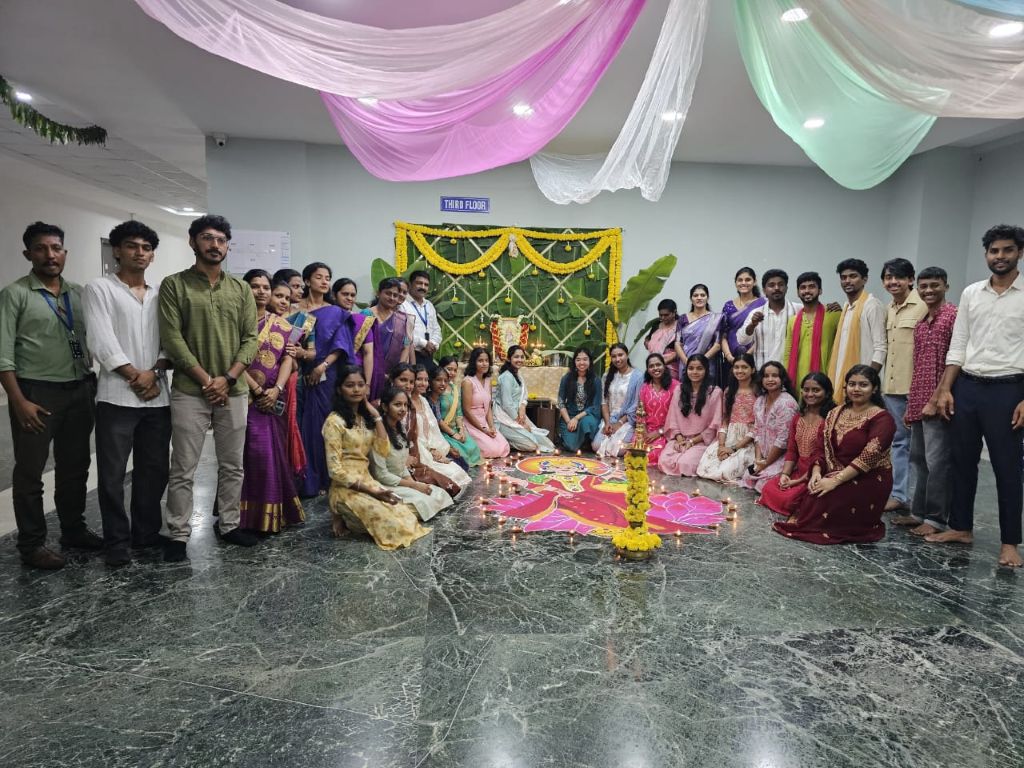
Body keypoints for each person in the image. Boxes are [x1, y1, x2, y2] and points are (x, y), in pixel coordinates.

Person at [0, 222, 100, 569]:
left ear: (65, 253)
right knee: (30, 472)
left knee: (75, 467)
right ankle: (31, 544)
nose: (50, 255)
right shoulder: (15, 294)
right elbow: (3, 355)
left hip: (80, 389)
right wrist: (18, 401)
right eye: (41, 248)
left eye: (56, 248)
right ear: (28, 254)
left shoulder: (79, 293)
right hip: (36, 393)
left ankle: (73, 529)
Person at [158, 214, 259, 561]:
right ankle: (177, 533)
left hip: (234, 390)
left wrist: (227, 378)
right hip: (190, 390)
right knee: (183, 466)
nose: (214, 245)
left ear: (227, 246)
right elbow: (172, 338)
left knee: (233, 465)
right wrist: (207, 380)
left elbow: (251, 339)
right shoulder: (174, 285)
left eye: (221, 240)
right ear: (193, 242)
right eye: (207, 238)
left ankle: (229, 525)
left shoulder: (241, 289)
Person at [926, 224, 1024, 568]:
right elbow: (959, 344)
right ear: (986, 255)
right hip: (966, 386)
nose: (1000, 256)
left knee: (1007, 467)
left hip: (1009, 389)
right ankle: (961, 527)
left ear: (1020, 253)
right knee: (961, 461)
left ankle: (1010, 542)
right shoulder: (972, 293)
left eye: (1007, 250)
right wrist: (945, 389)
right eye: (994, 251)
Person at [82, 220, 171, 567]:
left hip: (158, 398)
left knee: (155, 469)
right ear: (117, 250)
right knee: (113, 474)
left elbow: (171, 340)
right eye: (132, 246)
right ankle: (116, 541)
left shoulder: (161, 293)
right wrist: (136, 375)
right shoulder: (99, 288)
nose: (140, 253)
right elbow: (101, 340)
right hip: (116, 397)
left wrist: (155, 372)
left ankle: (145, 533)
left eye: (147, 248)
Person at [774, 365, 895, 544]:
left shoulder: (882, 419)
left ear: (874, 388)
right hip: (833, 471)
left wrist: (834, 481)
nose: (856, 389)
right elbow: (820, 448)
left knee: (830, 497)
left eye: (863, 385)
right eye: (852, 384)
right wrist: (816, 473)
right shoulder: (835, 413)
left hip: (868, 476)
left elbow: (868, 457)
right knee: (814, 493)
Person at [323, 365, 430, 550]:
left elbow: (383, 448)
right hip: (345, 487)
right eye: (350, 385)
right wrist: (372, 491)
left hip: (368, 481)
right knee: (391, 525)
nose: (356, 390)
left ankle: (353, 518)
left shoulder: (365, 419)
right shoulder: (334, 422)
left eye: (360, 385)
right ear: (340, 389)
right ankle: (341, 514)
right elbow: (334, 471)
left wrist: (376, 416)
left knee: (406, 516)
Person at [890, 267, 957, 536]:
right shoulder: (921, 323)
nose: (929, 290)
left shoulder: (952, 317)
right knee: (918, 459)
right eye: (924, 286)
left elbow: (955, 362)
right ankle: (918, 513)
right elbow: (918, 366)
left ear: (946, 286)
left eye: (934, 285)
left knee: (937, 462)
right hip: (919, 399)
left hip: (941, 402)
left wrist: (936, 398)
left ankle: (936, 519)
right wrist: (912, 404)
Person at [238, 270, 304, 534]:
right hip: (242, 396)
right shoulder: (235, 321)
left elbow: (287, 359)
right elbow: (231, 358)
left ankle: (271, 514)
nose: (261, 291)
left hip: (273, 398)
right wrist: (256, 389)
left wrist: (276, 389)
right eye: (255, 286)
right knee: (243, 456)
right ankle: (240, 517)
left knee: (270, 453)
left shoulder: (283, 325)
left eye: (265, 287)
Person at [296, 262, 355, 497]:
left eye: (327, 278)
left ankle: (326, 477)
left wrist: (321, 367)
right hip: (296, 372)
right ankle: (303, 477)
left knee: (323, 424)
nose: (324, 281)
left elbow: (341, 346)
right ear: (307, 281)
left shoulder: (335, 312)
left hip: (326, 375)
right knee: (300, 425)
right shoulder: (294, 309)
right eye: (318, 277)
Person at [879, 258, 928, 513]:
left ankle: (923, 503)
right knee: (899, 443)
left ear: (911, 279)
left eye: (899, 277)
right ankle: (899, 494)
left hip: (917, 389)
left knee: (922, 449)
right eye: (888, 277)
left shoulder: (923, 306)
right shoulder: (889, 308)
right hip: (893, 388)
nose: (893, 282)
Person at [758, 372, 835, 518]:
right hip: (798, 471)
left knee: (792, 500)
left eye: (816, 390)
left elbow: (823, 456)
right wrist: (785, 475)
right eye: (806, 390)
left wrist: (796, 482)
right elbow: (792, 451)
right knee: (768, 488)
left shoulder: (830, 419)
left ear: (827, 393)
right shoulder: (798, 418)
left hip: (817, 472)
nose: (810, 394)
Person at [370, 386, 453, 522]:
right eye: (397, 405)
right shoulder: (378, 434)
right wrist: (413, 486)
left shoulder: (401, 428)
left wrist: (413, 483)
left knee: (440, 494)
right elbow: (381, 474)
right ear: (385, 407)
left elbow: (401, 465)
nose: (403, 409)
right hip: (386, 484)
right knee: (424, 501)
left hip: (402, 481)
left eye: (405, 405)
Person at [657, 354, 722, 477]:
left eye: (699, 368)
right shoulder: (679, 390)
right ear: (686, 370)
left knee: (685, 464)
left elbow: (714, 426)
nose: (695, 372)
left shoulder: (715, 392)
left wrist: (692, 441)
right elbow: (673, 420)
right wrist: (680, 439)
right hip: (679, 439)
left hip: (701, 441)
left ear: (706, 370)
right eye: (691, 368)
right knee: (664, 461)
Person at [741, 361, 801, 492]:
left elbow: (783, 440)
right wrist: (758, 459)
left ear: (782, 379)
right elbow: (757, 431)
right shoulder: (760, 401)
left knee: (762, 485)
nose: (770, 379)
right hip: (764, 456)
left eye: (774, 376)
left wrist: (765, 463)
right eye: (766, 376)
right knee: (747, 477)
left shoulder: (787, 403)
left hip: (783, 456)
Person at [697, 353, 756, 483]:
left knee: (725, 472)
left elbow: (757, 427)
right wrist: (721, 446)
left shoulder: (758, 392)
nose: (740, 370)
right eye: (736, 367)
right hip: (729, 436)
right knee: (705, 467)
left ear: (752, 370)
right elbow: (725, 421)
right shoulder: (729, 391)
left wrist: (733, 448)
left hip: (747, 441)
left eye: (744, 367)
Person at [270, 279, 308, 480]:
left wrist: (298, 353)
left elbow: (299, 360)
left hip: (285, 384)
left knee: (284, 431)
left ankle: (282, 481)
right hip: (256, 385)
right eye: (279, 296)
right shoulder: (254, 321)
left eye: (287, 297)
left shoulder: (299, 321)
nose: (285, 300)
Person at [827, 258, 886, 385]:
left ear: (865, 279)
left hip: (864, 382)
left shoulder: (872, 305)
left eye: (853, 276)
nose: (847, 281)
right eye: (843, 277)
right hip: (843, 379)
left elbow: (880, 348)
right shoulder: (846, 308)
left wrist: (868, 378)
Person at [411, 365, 471, 491]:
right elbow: (413, 435)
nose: (423, 383)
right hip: (419, 450)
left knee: (460, 469)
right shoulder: (406, 403)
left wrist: (443, 449)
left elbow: (433, 429)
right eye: (419, 379)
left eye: (425, 380)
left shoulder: (423, 400)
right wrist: (432, 451)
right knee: (451, 474)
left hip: (432, 445)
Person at [783, 272, 841, 389]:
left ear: (820, 290)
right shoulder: (793, 320)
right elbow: (788, 352)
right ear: (798, 292)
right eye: (803, 287)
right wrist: (785, 380)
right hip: (798, 379)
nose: (807, 291)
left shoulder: (834, 314)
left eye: (812, 286)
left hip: (826, 377)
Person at [493, 345, 555, 453]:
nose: (520, 360)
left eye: (522, 357)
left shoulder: (517, 374)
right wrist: (521, 423)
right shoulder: (506, 377)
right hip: (504, 417)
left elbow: (524, 393)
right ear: (509, 359)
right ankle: (503, 441)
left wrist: (522, 406)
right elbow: (507, 405)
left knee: (546, 443)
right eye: (516, 357)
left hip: (519, 415)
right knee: (532, 445)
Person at [735, 269, 800, 370]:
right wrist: (752, 324)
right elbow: (742, 340)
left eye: (780, 284)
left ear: (786, 288)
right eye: (771, 285)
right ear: (764, 290)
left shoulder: (799, 310)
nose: (776, 288)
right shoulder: (756, 313)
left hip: (791, 371)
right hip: (763, 372)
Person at [363, 277, 414, 403]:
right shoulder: (366, 314)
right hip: (368, 372)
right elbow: (361, 347)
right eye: (388, 293)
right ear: (378, 293)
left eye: (395, 295)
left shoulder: (401, 319)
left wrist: (396, 374)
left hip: (392, 376)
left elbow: (406, 346)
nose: (392, 298)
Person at [593, 343, 642, 458]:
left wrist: (620, 423)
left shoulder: (638, 376)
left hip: (627, 420)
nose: (617, 359)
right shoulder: (607, 375)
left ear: (627, 355)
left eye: (620, 355)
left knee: (620, 450)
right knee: (596, 446)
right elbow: (604, 402)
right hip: (609, 418)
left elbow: (637, 404)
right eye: (614, 356)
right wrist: (607, 423)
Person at [462, 347, 511, 458]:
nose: (484, 364)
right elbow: (466, 411)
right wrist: (483, 430)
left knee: (504, 446)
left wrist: (491, 427)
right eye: (480, 361)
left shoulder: (488, 380)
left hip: (485, 422)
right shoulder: (468, 382)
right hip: (471, 423)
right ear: (473, 362)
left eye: (486, 361)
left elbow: (488, 407)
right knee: (492, 450)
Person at [437, 356, 482, 466]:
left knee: (473, 448)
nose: (452, 373)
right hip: (442, 431)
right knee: (460, 454)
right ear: (441, 369)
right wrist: (453, 434)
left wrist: (461, 430)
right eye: (449, 369)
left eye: (455, 370)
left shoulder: (454, 388)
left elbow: (458, 413)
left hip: (455, 429)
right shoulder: (437, 389)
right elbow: (437, 418)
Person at [673, 284, 723, 383]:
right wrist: (687, 362)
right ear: (691, 299)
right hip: (686, 363)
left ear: (707, 298)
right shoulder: (683, 319)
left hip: (707, 363)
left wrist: (701, 361)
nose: (699, 298)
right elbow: (677, 343)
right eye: (695, 295)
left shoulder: (715, 319)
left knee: (707, 390)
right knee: (686, 390)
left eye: (702, 295)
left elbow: (717, 345)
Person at [721, 267, 766, 375]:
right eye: (740, 280)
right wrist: (729, 356)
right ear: (736, 283)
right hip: (731, 359)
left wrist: (747, 356)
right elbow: (723, 334)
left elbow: (765, 333)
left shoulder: (763, 303)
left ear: (754, 281)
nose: (743, 283)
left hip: (754, 357)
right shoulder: (728, 305)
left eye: (748, 279)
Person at [557, 347, 602, 453]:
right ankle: (575, 441)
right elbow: (561, 401)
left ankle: (586, 442)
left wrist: (577, 418)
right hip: (570, 415)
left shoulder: (596, 380)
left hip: (587, 415)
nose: (582, 362)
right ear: (574, 362)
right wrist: (569, 421)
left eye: (585, 359)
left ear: (590, 361)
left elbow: (595, 406)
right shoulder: (566, 378)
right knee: (571, 447)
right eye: (578, 360)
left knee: (587, 423)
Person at [637, 353, 679, 466]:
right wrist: (644, 432)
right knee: (635, 452)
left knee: (650, 455)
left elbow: (677, 417)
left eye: (658, 365)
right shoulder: (644, 387)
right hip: (645, 431)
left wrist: (659, 432)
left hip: (666, 432)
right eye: (651, 366)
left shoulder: (676, 386)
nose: (655, 368)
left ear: (664, 366)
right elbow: (640, 413)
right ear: (647, 369)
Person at [425, 366, 469, 469]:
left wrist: (460, 429)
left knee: (463, 463)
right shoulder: (426, 401)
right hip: (430, 442)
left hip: (438, 438)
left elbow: (457, 415)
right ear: (430, 381)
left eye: (445, 381)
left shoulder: (438, 399)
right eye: (438, 380)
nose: (443, 384)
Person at [334, 278, 375, 384]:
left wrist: (367, 384)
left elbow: (368, 353)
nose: (349, 298)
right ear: (334, 295)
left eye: (352, 295)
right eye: (345, 294)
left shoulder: (362, 321)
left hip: (355, 374)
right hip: (329, 370)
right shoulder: (327, 317)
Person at [402, 270, 442, 369]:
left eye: (426, 285)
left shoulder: (429, 305)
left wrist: (432, 344)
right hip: (409, 353)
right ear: (410, 284)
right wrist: (424, 344)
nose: (423, 287)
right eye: (419, 283)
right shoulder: (402, 304)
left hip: (428, 354)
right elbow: (402, 332)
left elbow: (436, 329)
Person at [644, 299, 681, 379]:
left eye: (666, 315)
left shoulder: (680, 326)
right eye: (660, 315)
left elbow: (682, 350)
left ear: (674, 312)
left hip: (671, 370)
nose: (663, 318)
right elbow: (648, 339)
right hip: (653, 367)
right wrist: (648, 343)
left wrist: (662, 362)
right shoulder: (656, 325)